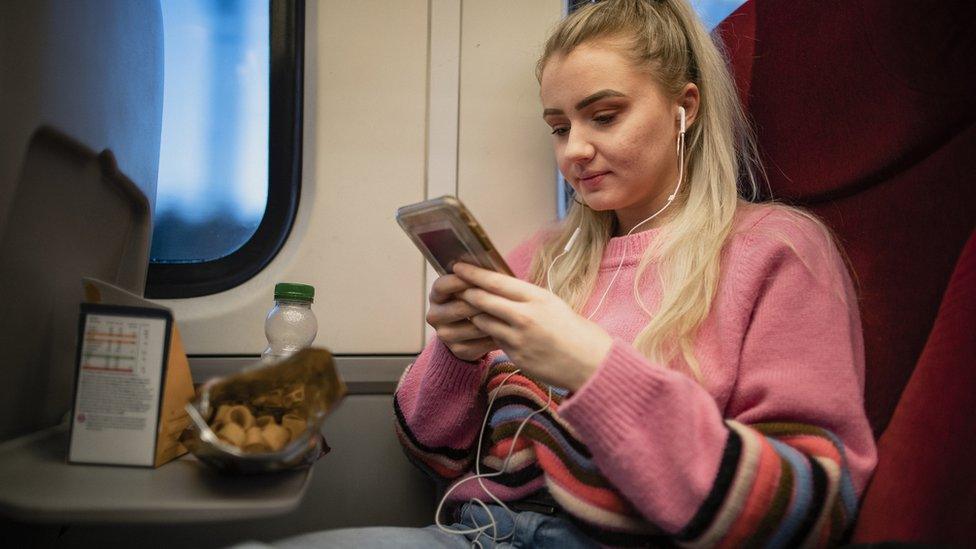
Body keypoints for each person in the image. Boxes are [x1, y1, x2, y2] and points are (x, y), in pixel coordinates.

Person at [245, 0, 876, 547]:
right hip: (480, 533)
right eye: (559, 126)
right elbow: (432, 456)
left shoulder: (780, 253)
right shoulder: (539, 259)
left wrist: (591, 367)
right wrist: (458, 356)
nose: (573, 150)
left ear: (685, 108)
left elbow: (809, 510)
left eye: (604, 117)